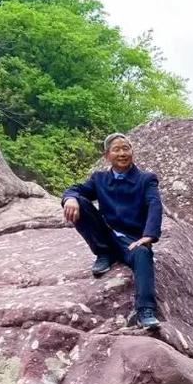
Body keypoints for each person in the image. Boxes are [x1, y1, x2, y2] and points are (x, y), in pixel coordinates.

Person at [62, 133, 163, 330]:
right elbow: (75, 189)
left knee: (143, 254)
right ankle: (103, 253)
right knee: (80, 203)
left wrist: (149, 235)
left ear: (132, 152)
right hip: (106, 235)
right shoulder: (99, 179)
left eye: (126, 148)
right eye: (116, 149)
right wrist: (70, 198)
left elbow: (154, 204)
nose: (122, 153)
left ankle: (145, 311)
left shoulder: (146, 179)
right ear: (107, 155)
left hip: (131, 240)